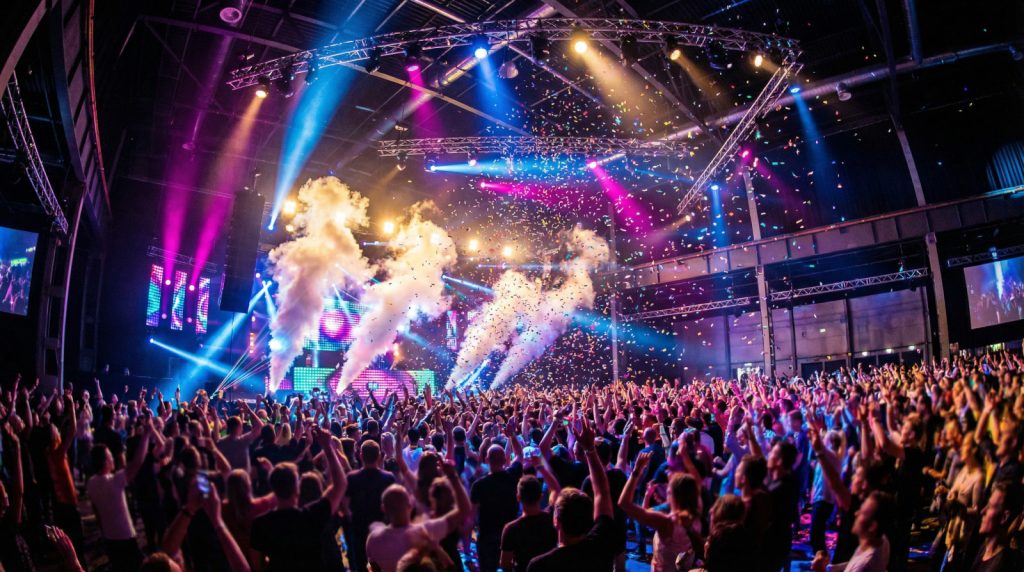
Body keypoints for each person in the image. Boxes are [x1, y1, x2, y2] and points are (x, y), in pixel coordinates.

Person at [527, 419, 621, 572]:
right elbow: (602, 492)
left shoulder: (539, 565)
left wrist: (556, 421)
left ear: (556, 521)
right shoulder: (601, 544)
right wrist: (590, 450)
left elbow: (543, 448)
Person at [250, 428, 346, 571]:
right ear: (297, 489)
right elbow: (340, 484)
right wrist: (327, 447)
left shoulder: (260, 523)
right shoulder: (311, 516)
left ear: (273, 488)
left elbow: (257, 565)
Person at [365, 460, 471, 572]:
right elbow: (464, 510)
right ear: (410, 506)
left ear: (383, 509)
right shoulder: (424, 532)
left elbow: (374, 567)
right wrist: (453, 477)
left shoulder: (373, 540)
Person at [86, 418, 154, 572]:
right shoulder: (114, 481)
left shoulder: (91, 483)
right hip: (125, 536)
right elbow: (137, 462)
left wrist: (103, 531)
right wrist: (146, 435)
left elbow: (96, 511)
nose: (113, 458)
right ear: (105, 462)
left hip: (109, 538)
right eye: (110, 456)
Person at [618, 451, 703, 572]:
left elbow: (624, 504)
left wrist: (636, 471)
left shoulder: (666, 522)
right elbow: (696, 481)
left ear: (675, 497)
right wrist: (685, 456)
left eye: (668, 492)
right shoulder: (696, 511)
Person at [470, 428, 523, 572]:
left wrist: (468, 545)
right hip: (510, 535)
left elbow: (471, 517)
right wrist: (512, 435)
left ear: (486, 460)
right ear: (505, 460)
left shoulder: (479, 485)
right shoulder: (513, 476)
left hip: (486, 538)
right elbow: (519, 455)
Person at [811, 491, 895, 572]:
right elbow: (854, 563)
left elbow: (859, 566)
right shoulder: (882, 541)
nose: (856, 513)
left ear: (872, 526)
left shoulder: (864, 566)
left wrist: (820, 570)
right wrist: (828, 568)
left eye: (862, 512)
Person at [346, 439, 397, 572]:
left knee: (360, 565)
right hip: (382, 529)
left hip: (358, 529)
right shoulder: (388, 478)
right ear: (379, 456)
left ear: (361, 455)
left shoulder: (352, 478)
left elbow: (345, 506)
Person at [500, 474, 558, 572]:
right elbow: (555, 489)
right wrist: (541, 468)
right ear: (541, 496)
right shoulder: (552, 518)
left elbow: (505, 564)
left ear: (518, 497)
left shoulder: (511, 529)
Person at [969, 482, 1023, 571]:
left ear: (1004, 517)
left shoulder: (1003, 565)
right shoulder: (983, 548)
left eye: (990, 506)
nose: (982, 511)